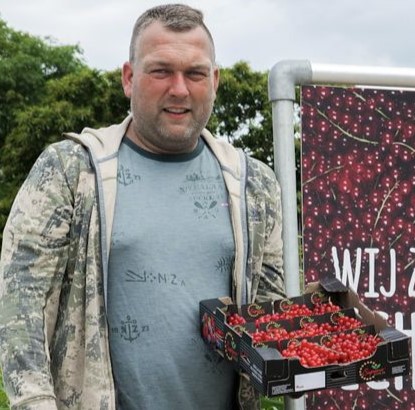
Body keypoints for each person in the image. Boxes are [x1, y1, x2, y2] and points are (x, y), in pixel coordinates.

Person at [0, 4, 285, 410]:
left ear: (215, 81)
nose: (180, 89)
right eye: (161, 71)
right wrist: (34, 402)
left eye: (195, 73)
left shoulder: (253, 183)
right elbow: (19, 304)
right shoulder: (71, 170)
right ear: (129, 78)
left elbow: (271, 315)